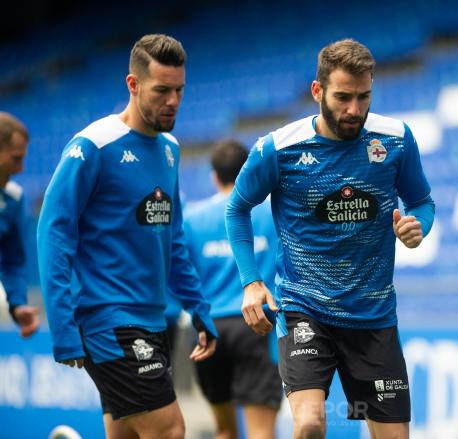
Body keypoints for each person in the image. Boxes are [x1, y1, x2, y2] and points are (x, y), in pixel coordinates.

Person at [226, 39, 435, 439]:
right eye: (343, 97)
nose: (354, 109)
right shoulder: (279, 149)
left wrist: (417, 226)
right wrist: (252, 282)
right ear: (317, 91)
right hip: (306, 309)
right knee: (310, 423)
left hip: (373, 318)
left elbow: (423, 202)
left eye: (363, 97)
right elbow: (236, 208)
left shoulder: (395, 140)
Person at [37, 34, 217, 439]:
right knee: (170, 429)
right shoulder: (92, 148)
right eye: (162, 90)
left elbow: (174, 239)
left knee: (129, 435)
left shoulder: (170, 149)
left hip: (152, 320)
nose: (173, 100)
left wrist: (198, 306)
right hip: (109, 320)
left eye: (179, 90)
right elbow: (53, 233)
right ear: (133, 85)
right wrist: (62, 326)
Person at [184, 139, 281, 439]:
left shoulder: (192, 218)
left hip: (209, 329)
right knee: (261, 432)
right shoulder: (272, 213)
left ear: (215, 176)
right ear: (248, 172)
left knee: (224, 431)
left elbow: (183, 276)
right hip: (258, 325)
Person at [0, 112, 39, 338]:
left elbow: (12, 261)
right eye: (16, 159)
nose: (21, 169)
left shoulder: (13, 198)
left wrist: (17, 304)